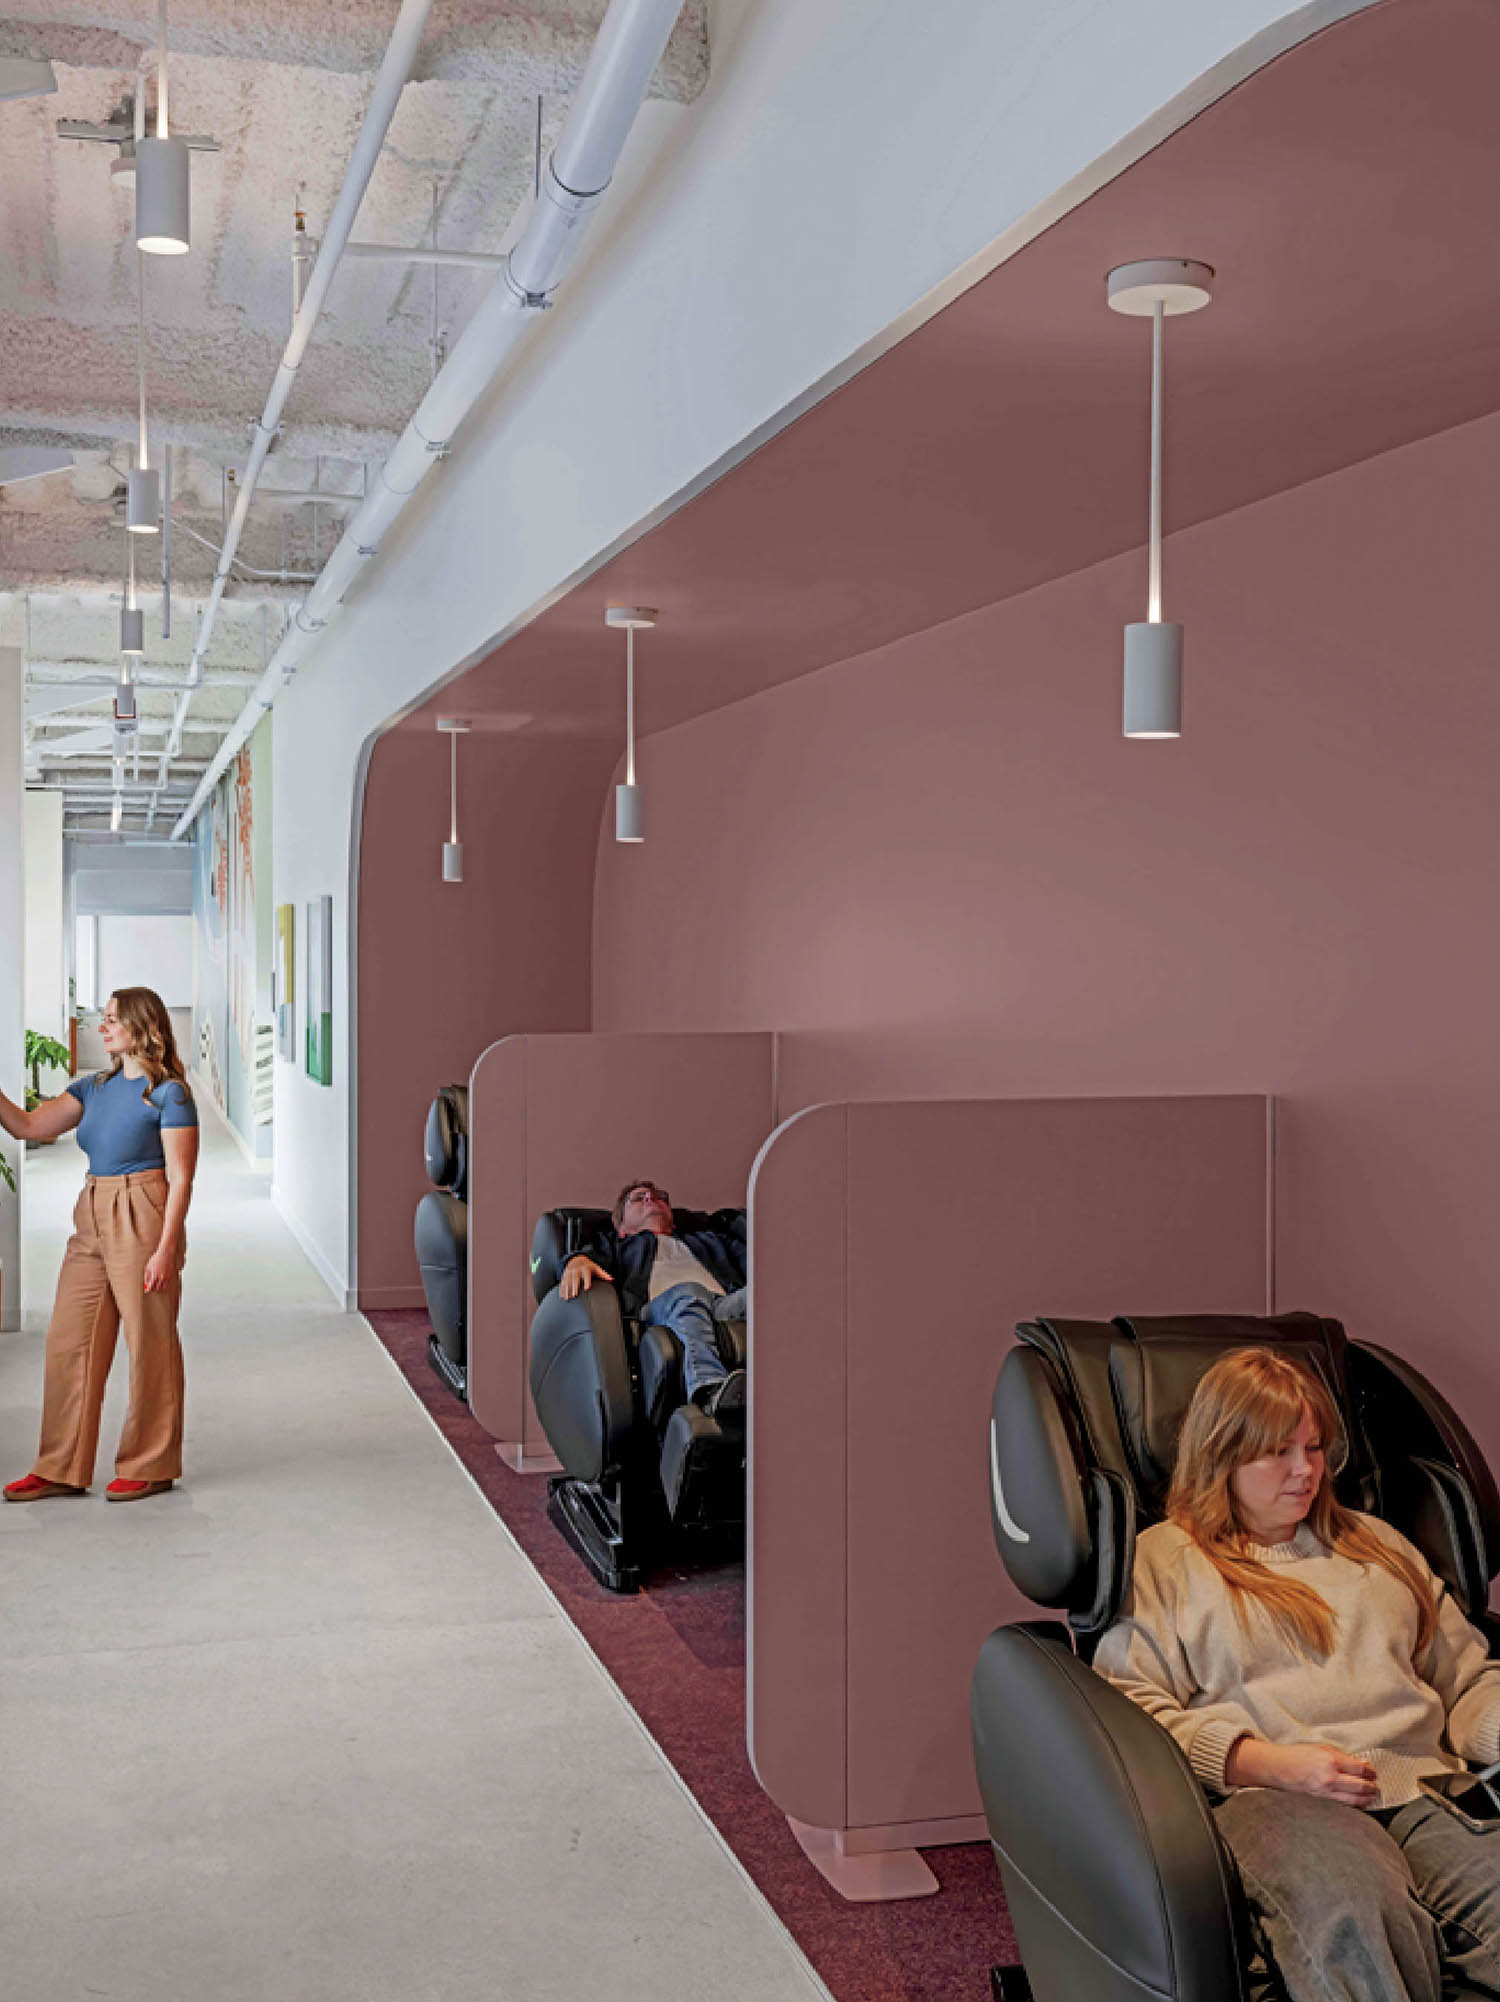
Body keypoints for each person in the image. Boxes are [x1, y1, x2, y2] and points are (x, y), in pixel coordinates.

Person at [1094, 1346, 1500, 2002]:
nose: (1305, 1470)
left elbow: (1467, 1680)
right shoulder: (1165, 1560)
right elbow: (1130, 1714)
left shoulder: (1378, 1545)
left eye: (1314, 1448)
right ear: (1222, 1455)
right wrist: (1269, 1764)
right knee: (1356, 1914)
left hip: (1421, 1786)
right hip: (1275, 1799)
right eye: (1276, 1452)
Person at [0, 987, 198, 1503]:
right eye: (103, 1018)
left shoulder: (168, 1094)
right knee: (70, 1339)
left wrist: (165, 1249)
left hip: (144, 1208)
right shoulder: (93, 1088)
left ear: (142, 1026)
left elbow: (181, 1179)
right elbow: (27, 1125)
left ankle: (151, 1463)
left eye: (112, 1019)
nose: (101, 1027)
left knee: (149, 1340)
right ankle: (60, 1466)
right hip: (91, 1208)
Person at [559, 1178, 747, 1417]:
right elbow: (586, 1257)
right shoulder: (617, 1245)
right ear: (622, 1227)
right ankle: (708, 1390)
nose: (650, 1197)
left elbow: (758, 1263)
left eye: (659, 1197)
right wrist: (575, 1261)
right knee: (687, 1292)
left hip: (722, 1306)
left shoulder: (711, 1240)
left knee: (762, 1296)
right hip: (659, 1310)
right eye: (639, 1198)